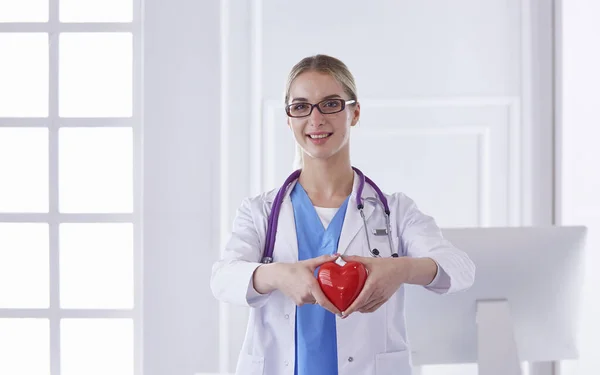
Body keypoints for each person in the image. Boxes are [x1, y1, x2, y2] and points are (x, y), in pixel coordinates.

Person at [210, 54, 476, 375]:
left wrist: (400, 270)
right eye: (301, 106)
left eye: (331, 104)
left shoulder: (394, 211)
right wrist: (278, 275)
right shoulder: (260, 212)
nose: (316, 119)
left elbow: (460, 270)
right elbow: (222, 279)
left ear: (355, 112)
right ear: (289, 119)